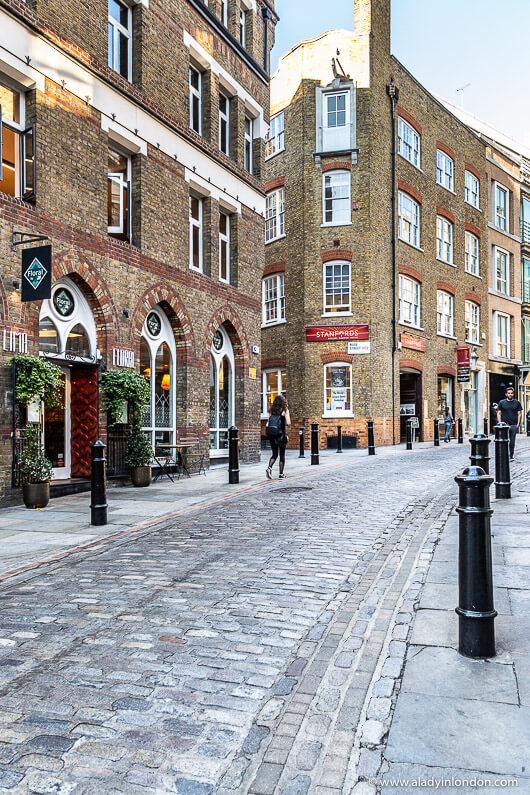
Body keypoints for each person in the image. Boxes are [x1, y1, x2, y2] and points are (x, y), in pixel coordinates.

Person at [265, 395, 290, 480]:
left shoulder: (271, 410)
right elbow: (288, 422)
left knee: (274, 454)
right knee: (282, 455)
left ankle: (269, 467)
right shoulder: (284, 410)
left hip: (272, 434)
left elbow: (269, 421)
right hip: (281, 435)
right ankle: (281, 474)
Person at [497, 387, 523, 460]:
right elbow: (499, 413)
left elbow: (519, 414)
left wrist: (518, 424)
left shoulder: (517, 403)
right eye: (509, 393)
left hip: (513, 425)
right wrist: (500, 424)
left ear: (513, 394)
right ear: (506, 394)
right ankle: (504, 455)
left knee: (512, 441)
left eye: (511, 393)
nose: (510, 394)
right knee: (504, 440)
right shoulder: (502, 402)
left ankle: (511, 454)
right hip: (504, 425)